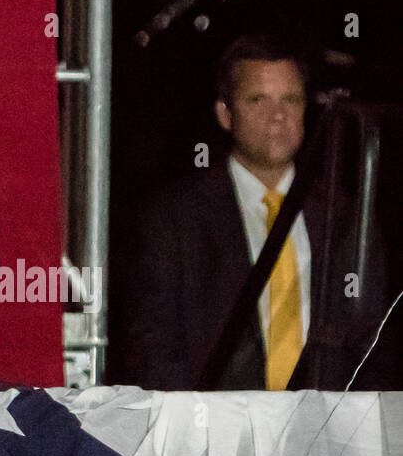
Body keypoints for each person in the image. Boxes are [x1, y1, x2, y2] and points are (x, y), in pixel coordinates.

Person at [112, 34, 391, 390]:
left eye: (290, 99)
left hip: (325, 434)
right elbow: (152, 350)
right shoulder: (174, 218)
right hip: (216, 433)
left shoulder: (347, 216)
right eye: (258, 99)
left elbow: (373, 343)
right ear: (225, 114)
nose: (277, 115)